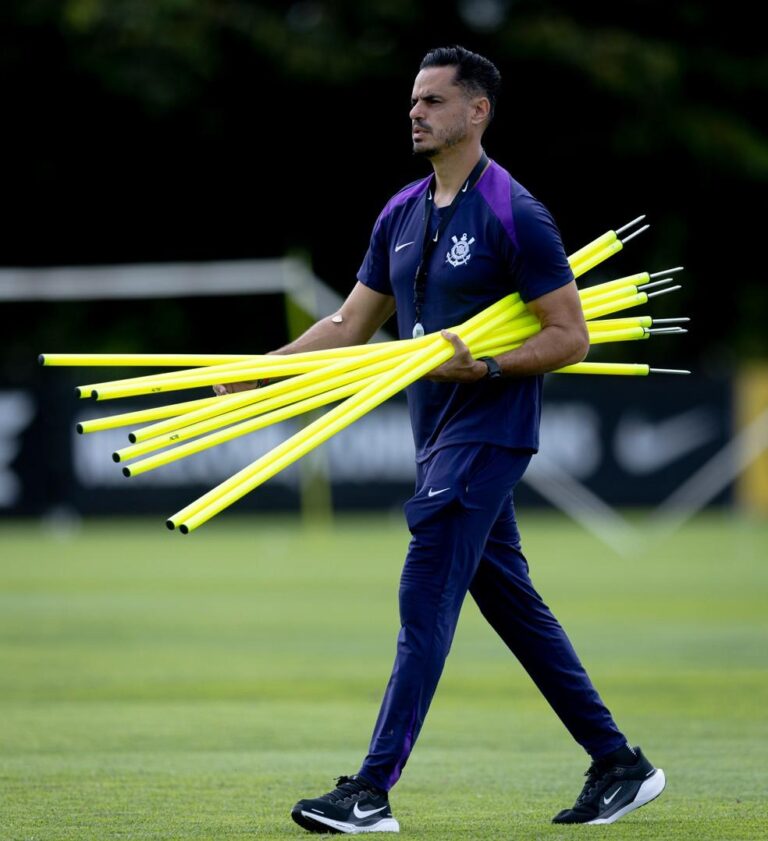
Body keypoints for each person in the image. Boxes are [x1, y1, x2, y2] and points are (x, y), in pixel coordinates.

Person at [217, 44, 666, 833]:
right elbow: (350, 324)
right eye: (413, 101)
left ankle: (370, 790)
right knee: (514, 605)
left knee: (424, 597)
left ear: (477, 111)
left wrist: (487, 366)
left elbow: (571, 335)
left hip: (486, 435)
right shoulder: (401, 210)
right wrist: (265, 370)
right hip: (436, 435)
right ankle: (619, 762)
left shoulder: (515, 212)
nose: (415, 112)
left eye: (432, 100)